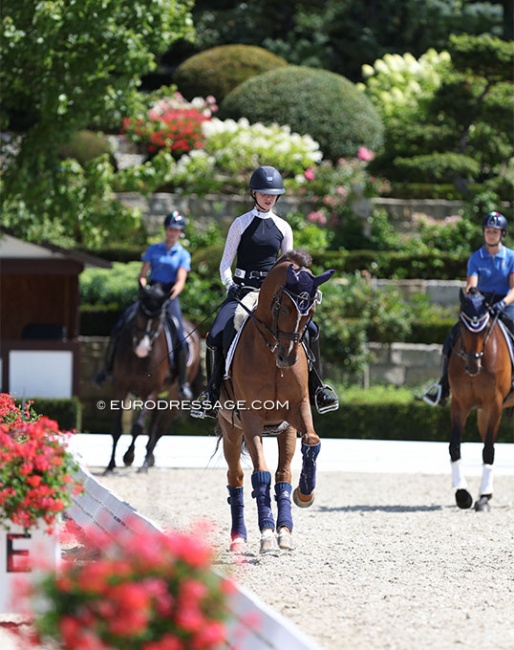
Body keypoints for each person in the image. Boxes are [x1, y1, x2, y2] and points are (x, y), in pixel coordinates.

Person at [191, 165, 339, 419]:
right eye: (263, 193)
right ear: (253, 194)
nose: (268, 198)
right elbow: (226, 263)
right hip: (242, 289)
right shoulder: (241, 224)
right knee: (216, 333)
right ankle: (211, 393)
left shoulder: (283, 227)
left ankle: (318, 388)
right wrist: (230, 285)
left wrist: (303, 288)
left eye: (272, 194)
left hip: (273, 294)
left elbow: (290, 266)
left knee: (311, 330)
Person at [94, 210, 193, 399]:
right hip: (150, 294)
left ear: (181, 232)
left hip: (168, 296)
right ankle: (106, 370)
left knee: (180, 335)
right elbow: (142, 275)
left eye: (177, 230)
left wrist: (170, 295)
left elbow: (180, 280)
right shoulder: (153, 249)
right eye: (170, 229)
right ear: (166, 230)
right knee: (121, 324)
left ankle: (183, 382)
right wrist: (144, 289)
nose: (173, 232)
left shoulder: (183, 254)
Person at [423, 211, 514, 406]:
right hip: (481, 304)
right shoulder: (475, 258)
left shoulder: (511, 257)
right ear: (484, 233)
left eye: (495, 231)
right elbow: (471, 286)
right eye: (488, 231)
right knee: (453, 337)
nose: (491, 234)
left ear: (502, 234)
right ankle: (443, 387)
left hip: (506, 304)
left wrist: (502, 303)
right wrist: (475, 301)